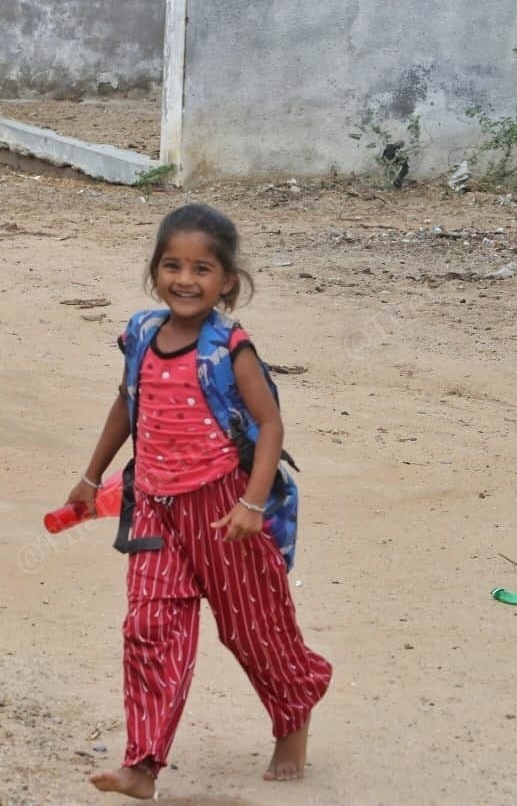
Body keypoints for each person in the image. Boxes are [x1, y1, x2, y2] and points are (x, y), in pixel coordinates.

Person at [67, 203, 332, 799]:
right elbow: (125, 406)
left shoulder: (230, 348)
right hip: (155, 508)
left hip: (225, 513)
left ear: (227, 281)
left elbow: (270, 426)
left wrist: (253, 505)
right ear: (155, 271)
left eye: (202, 269)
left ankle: (293, 713)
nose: (185, 280)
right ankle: (142, 763)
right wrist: (90, 478)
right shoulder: (139, 333)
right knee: (149, 627)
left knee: (255, 629)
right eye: (172, 266)